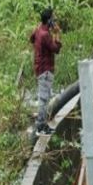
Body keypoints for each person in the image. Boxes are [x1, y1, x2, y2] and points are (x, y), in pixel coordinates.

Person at [30, 7, 62, 135]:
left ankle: (42, 124)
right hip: (45, 70)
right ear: (49, 20)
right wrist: (57, 34)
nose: (54, 21)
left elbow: (32, 38)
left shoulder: (39, 30)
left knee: (46, 97)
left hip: (40, 68)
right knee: (43, 99)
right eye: (53, 18)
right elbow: (56, 49)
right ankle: (41, 127)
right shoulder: (45, 35)